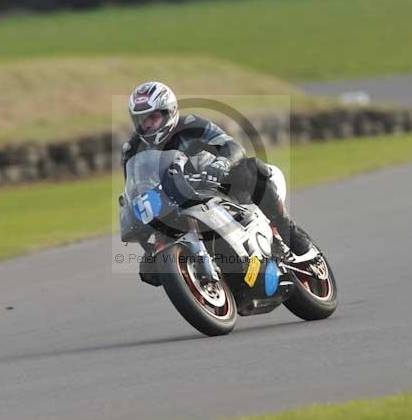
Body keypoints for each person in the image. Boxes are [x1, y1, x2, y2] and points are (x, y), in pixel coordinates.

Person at [121, 82, 314, 275]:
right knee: (149, 270)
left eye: (153, 117)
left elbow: (232, 146)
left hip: (216, 183)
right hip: (174, 203)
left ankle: (288, 231)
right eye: (142, 120)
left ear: (169, 112)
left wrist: (222, 163)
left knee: (251, 169)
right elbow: (135, 188)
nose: (147, 125)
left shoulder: (191, 125)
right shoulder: (132, 149)